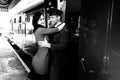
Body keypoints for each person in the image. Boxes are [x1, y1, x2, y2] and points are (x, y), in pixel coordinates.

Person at [27, 11, 65, 80]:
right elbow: (57, 29)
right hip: (42, 62)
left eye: (43, 19)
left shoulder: (39, 29)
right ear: (36, 20)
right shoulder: (40, 30)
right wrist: (64, 23)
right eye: (40, 19)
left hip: (38, 59)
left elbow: (49, 30)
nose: (43, 20)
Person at [39, 8, 69, 80]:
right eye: (50, 18)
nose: (50, 19)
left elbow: (63, 47)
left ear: (58, 17)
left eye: (52, 17)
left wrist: (48, 45)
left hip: (57, 61)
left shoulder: (65, 30)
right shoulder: (52, 28)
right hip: (50, 59)